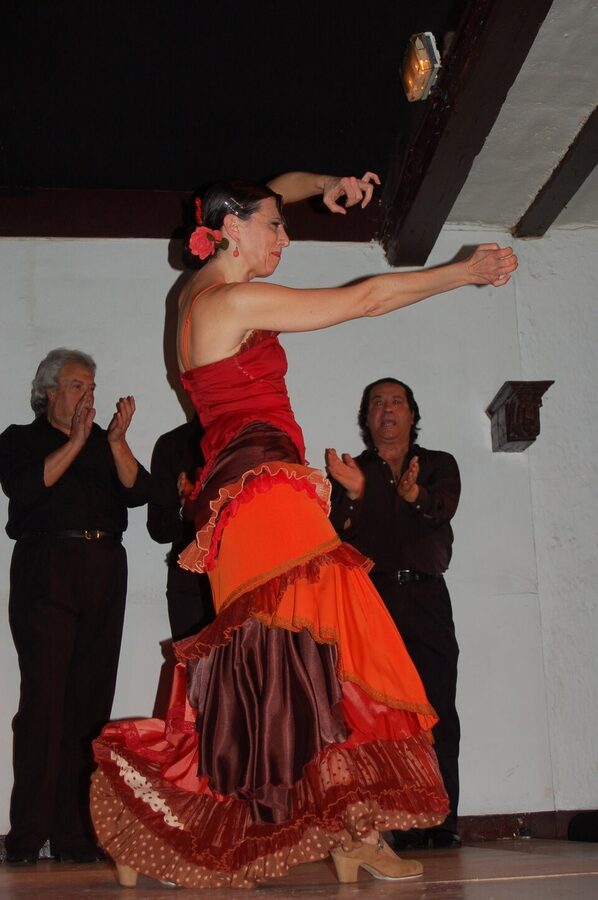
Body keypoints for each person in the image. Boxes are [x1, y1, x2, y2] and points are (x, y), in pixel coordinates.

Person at [90, 171, 517, 889]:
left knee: (286, 673)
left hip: (252, 498)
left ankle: (351, 831)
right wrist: (463, 270)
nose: (286, 237)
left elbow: (272, 184)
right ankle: (172, 817)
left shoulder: (197, 293)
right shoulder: (230, 300)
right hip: (262, 497)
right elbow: (367, 298)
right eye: (275, 227)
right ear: (228, 227)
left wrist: (328, 185)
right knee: (326, 650)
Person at [0, 348, 151, 865]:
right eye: (76, 385)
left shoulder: (103, 444)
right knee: (45, 702)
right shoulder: (21, 439)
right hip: (47, 565)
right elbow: (23, 487)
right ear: (48, 392)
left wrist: (115, 441)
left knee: (90, 704)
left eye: (92, 385)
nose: (88, 394)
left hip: (104, 567)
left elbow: (139, 492)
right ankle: (26, 837)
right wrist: (78, 442)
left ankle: (75, 837)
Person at [327, 378, 462, 849]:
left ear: (412, 413)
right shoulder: (352, 471)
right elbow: (335, 533)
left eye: (397, 401)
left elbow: (441, 506)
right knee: (379, 713)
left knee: (437, 709)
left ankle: (441, 819)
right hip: (372, 602)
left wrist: (413, 496)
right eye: (377, 403)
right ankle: (390, 823)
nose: (387, 409)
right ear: (367, 419)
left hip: (426, 598)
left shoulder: (439, 464)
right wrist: (357, 494)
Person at [147, 416, 214, 640]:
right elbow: (159, 529)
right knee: (193, 671)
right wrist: (186, 510)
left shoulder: (252, 441)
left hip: (242, 582)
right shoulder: (174, 443)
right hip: (190, 586)